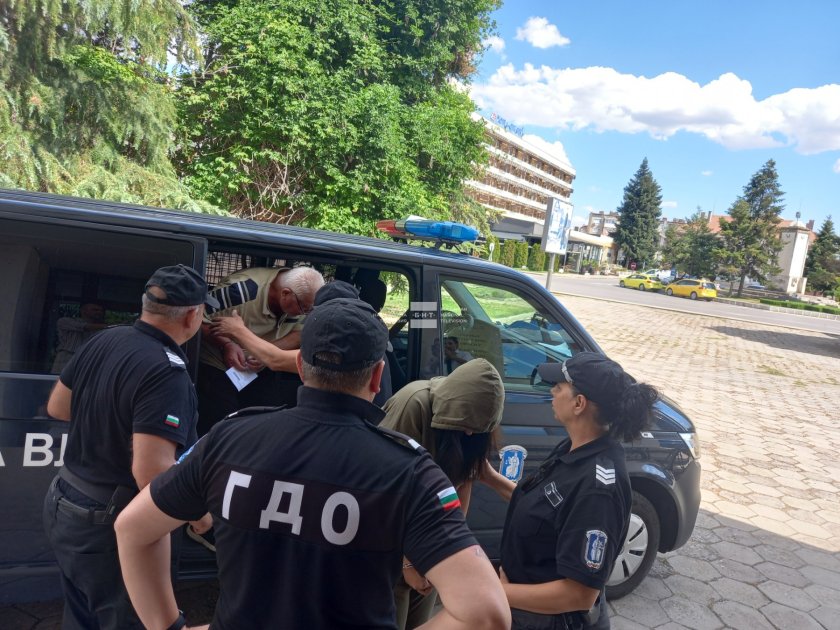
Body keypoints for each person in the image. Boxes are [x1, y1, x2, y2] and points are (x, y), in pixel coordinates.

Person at [115, 298, 511, 630]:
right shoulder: (411, 472)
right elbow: (487, 612)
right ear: (377, 377)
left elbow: (132, 528)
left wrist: (168, 626)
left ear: (301, 367)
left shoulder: (229, 438)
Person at [42, 265, 217, 630]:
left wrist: (112, 418)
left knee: (83, 617)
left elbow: (58, 407)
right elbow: (151, 473)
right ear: (192, 315)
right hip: (111, 521)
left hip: (65, 502)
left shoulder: (105, 339)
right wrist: (199, 516)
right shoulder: (167, 372)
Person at [486, 352, 659, 629]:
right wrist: (489, 478)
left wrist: (497, 592)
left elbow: (579, 594)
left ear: (579, 403)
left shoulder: (598, 489)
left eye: (559, 386)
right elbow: (543, 509)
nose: (552, 392)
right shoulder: (573, 448)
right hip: (522, 606)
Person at [379, 358, 506, 629]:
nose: (469, 432)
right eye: (466, 423)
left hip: (428, 547)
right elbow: (384, 493)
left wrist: (446, 552)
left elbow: (461, 488)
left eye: (477, 428)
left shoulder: (474, 431)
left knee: (422, 617)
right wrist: (407, 564)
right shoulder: (414, 404)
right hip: (391, 545)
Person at [197, 265, 324, 434]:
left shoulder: (303, 301)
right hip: (217, 364)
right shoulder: (241, 291)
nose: (305, 314)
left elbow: (299, 333)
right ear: (286, 293)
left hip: (259, 369)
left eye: (310, 310)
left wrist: (264, 353)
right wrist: (225, 344)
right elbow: (196, 317)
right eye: (303, 309)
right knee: (222, 422)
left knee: (264, 419)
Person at [51, 302, 108, 373]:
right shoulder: (65, 321)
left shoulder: (100, 329)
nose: (99, 312)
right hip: (67, 356)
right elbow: (83, 326)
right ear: (83, 311)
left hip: (88, 357)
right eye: (95, 310)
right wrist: (112, 326)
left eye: (101, 311)